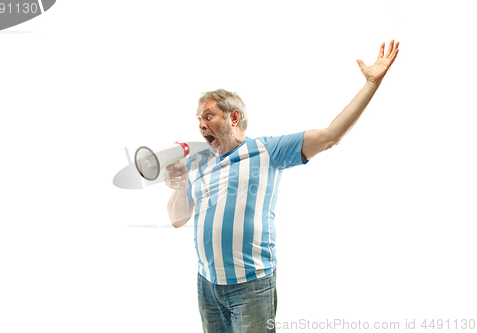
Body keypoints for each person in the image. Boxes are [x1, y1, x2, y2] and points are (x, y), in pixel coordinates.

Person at [164, 40, 400, 333]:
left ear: (233, 117)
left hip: (250, 288)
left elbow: (331, 135)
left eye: (208, 116)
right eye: (199, 118)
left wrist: (371, 84)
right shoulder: (200, 162)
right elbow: (177, 220)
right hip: (207, 285)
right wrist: (179, 186)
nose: (201, 125)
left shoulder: (266, 151)